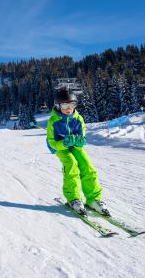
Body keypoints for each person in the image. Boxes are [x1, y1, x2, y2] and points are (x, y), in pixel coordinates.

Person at [46, 88, 109, 216]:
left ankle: (93, 199)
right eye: (65, 105)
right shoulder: (53, 121)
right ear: (58, 106)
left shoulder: (78, 118)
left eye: (72, 105)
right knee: (71, 164)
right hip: (60, 148)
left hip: (74, 146)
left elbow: (82, 136)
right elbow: (52, 142)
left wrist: (81, 142)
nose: (69, 108)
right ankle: (73, 198)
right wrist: (63, 143)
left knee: (87, 165)